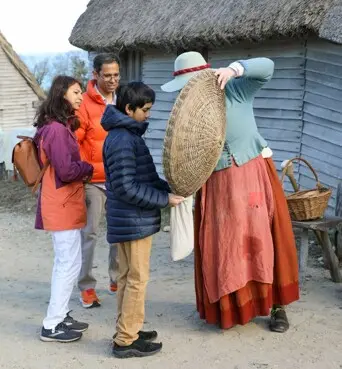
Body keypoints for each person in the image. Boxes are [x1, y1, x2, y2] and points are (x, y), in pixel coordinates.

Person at [161, 52, 299, 333]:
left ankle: (276, 307)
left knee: (262, 240)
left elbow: (268, 67)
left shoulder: (236, 90)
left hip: (252, 176)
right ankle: (232, 308)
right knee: (224, 246)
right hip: (216, 185)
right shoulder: (188, 111)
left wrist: (237, 69)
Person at [101, 82, 184, 358]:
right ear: (129, 108)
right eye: (145, 110)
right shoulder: (124, 139)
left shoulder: (123, 135)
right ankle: (126, 340)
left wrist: (163, 188)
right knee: (136, 279)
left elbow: (141, 179)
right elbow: (126, 186)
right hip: (133, 220)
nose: (148, 115)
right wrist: (164, 200)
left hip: (127, 220)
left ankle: (128, 328)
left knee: (126, 278)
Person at [33, 76, 94, 342]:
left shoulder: (55, 126)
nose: (81, 96)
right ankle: (52, 324)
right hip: (61, 202)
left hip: (62, 201)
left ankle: (61, 314)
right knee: (67, 263)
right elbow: (67, 170)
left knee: (70, 261)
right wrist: (88, 168)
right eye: (76, 92)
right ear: (62, 94)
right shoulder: (57, 130)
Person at [76, 53, 120, 308]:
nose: (113, 80)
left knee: (118, 233)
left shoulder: (122, 100)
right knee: (90, 234)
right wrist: (84, 174)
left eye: (116, 75)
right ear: (95, 75)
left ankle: (116, 278)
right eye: (107, 75)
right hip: (93, 181)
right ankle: (87, 287)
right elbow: (76, 141)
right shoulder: (83, 104)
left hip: (118, 179)